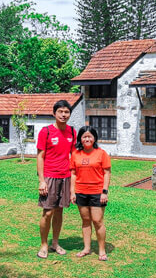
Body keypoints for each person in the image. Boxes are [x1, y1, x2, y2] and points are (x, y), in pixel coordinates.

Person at [36, 100, 76, 259]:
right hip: (50, 177)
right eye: (60, 111)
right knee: (48, 212)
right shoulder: (45, 132)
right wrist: (42, 180)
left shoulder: (72, 132)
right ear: (54, 113)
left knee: (59, 211)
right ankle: (44, 245)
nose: (64, 115)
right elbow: (40, 157)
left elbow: (74, 156)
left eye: (67, 112)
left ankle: (55, 243)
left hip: (65, 177)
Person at [69, 126, 111, 261]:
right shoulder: (75, 154)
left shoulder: (101, 153)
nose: (87, 139)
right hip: (81, 192)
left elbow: (107, 173)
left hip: (97, 192)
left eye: (89, 136)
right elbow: (73, 174)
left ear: (94, 138)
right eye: (84, 136)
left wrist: (104, 192)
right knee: (86, 221)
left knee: (98, 221)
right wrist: (72, 192)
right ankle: (86, 248)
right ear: (80, 139)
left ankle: (102, 250)